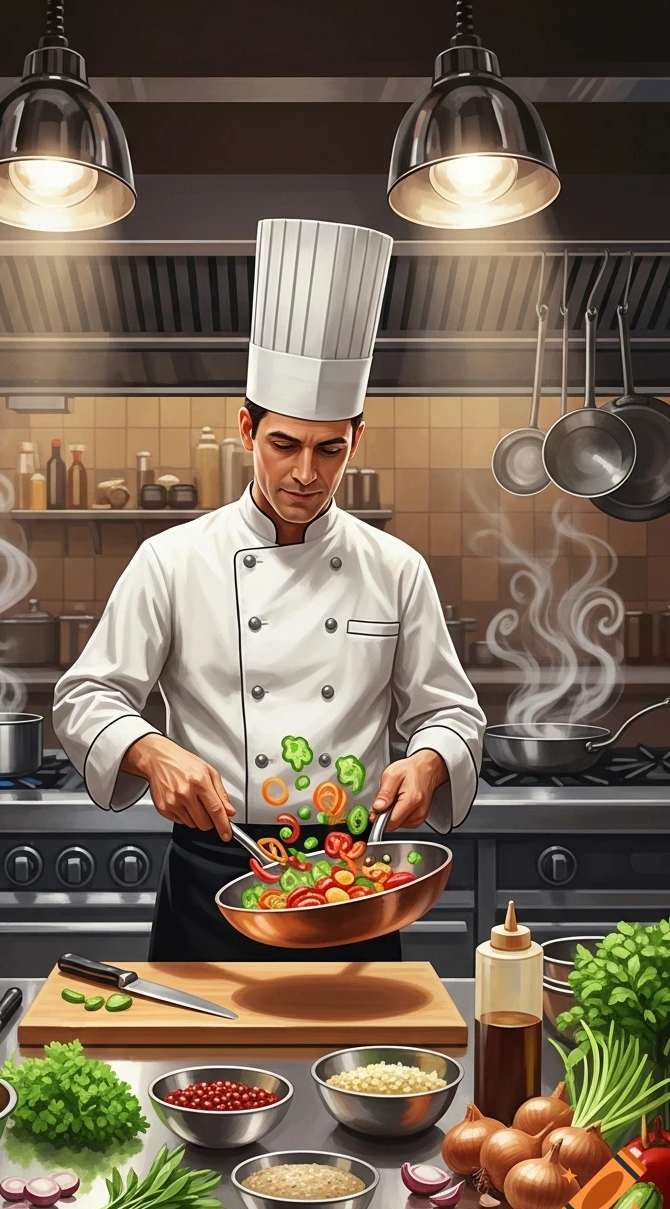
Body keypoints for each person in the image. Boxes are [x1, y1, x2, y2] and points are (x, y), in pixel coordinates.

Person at [53, 217, 486, 961]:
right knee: (194, 1077)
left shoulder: (395, 568)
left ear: (357, 438)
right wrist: (153, 751)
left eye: (330, 449)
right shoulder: (172, 559)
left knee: (359, 1073)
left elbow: (450, 712)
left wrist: (432, 759)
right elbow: (85, 697)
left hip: (355, 879)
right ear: (247, 429)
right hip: (218, 871)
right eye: (284, 445)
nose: (306, 474)